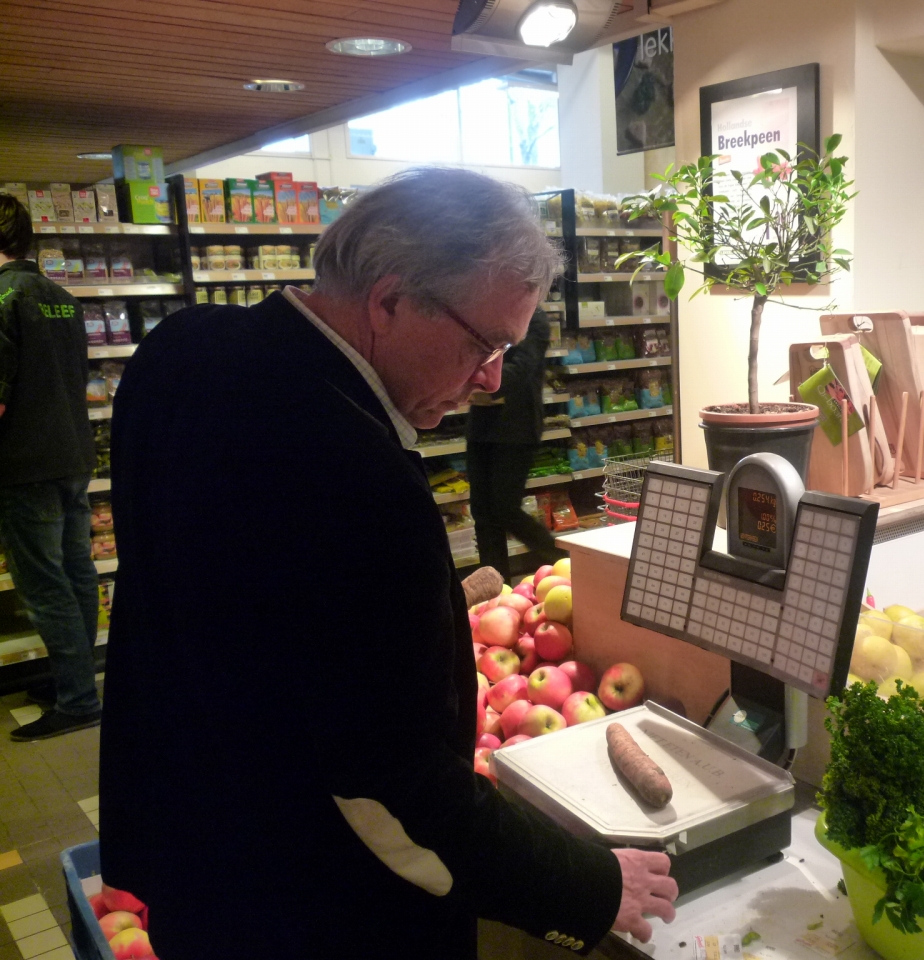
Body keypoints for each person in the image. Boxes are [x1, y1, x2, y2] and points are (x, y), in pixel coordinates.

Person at [99, 169, 677, 960]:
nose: (492, 379)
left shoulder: (179, 349)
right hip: (315, 909)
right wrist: (590, 886)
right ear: (391, 301)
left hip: (192, 855)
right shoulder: (360, 478)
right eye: (484, 343)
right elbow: (392, 786)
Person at [0, 194, 102, 742]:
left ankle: (78, 699)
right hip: (72, 454)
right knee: (77, 570)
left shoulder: (2, 299)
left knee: (44, 586)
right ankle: (75, 679)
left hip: (25, 462)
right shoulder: (61, 297)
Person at [466, 306, 567, 578]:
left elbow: (523, 367)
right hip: (481, 425)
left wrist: (478, 382)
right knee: (482, 512)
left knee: (505, 508)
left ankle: (565, 561)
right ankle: (496, 587)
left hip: (516, 427)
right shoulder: (486, 310)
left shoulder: (535, 318)